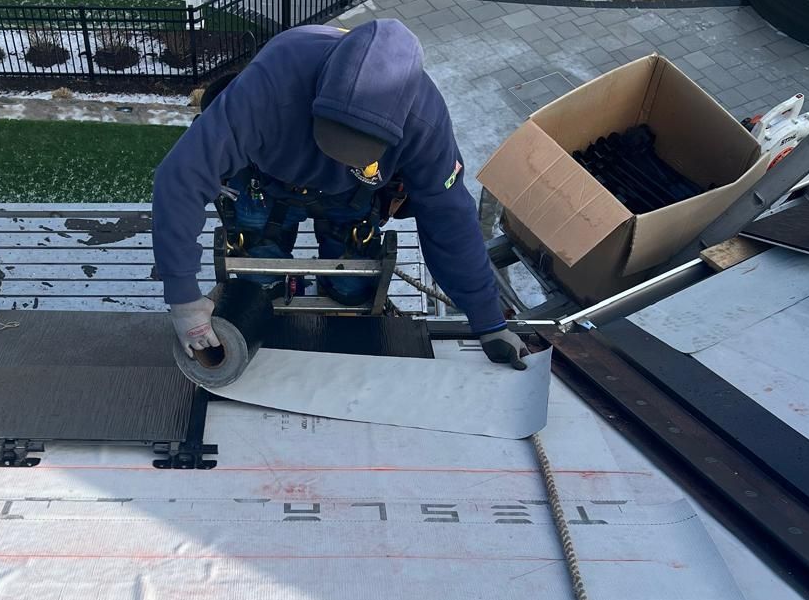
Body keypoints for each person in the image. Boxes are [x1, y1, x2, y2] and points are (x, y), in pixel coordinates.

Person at [151, 18, 528, 367]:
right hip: (266, 184)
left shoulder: (425, 123)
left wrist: (488, 321)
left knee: (350, 292)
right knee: (256, 286)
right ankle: (265, 293)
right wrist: (183, 296)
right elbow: (181, 176)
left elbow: (450, 221)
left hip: (352, 198)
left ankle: (338, 295)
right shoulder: (273, 81)